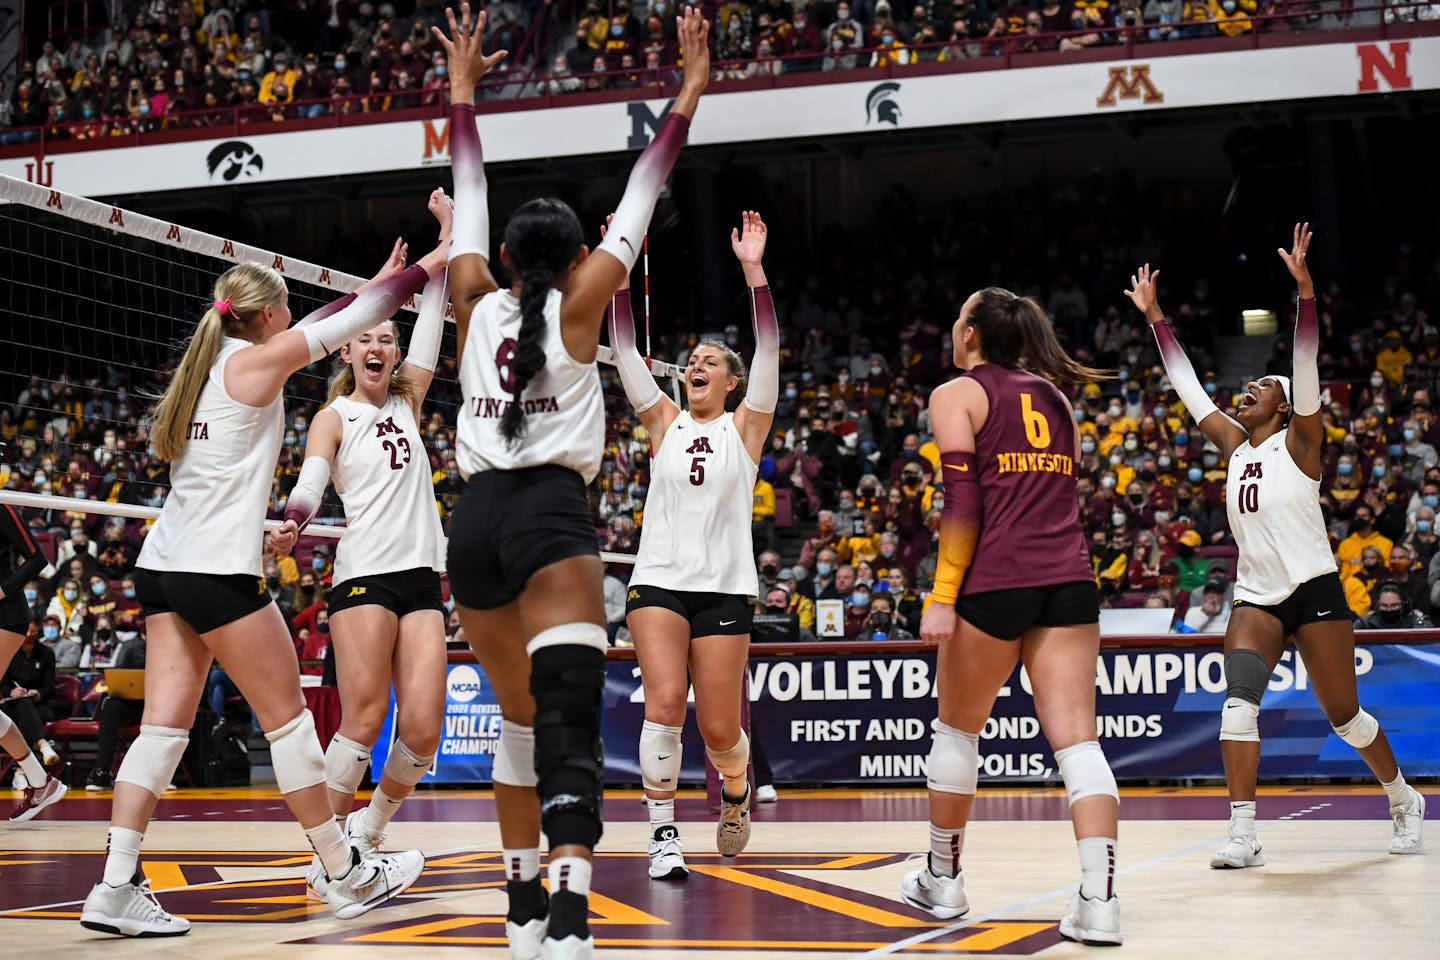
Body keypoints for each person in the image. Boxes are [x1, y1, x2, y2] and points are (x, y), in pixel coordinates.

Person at [77, 219, 448, 937]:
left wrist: (374, 285)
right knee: (290, 726)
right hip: (217, 572)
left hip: (165, 569)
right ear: (266, 315)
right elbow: (347, 323)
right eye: (286, 312)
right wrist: (429, 264)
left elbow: (327, 321)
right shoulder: (253, 366)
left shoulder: (218, 365)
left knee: (162, 733)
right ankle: (344, 872)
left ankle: (115, 886)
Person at [432, 5, 709, 957]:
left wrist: (463, 91)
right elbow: (644, 186)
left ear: (506, 258)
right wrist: (688, 92)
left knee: (517, 724)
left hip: (472, 525)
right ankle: (571, 912)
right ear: (573, 257)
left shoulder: (471, 297)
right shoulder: (590, 296)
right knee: (566, 720)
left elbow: (467, 188)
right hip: (550, 515)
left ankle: (517, 910)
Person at [1129, 223, 1424, 871]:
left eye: (1262, 388)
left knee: (1345, 718)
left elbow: (1306, 367)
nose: (1248, 391)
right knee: (1237, 706)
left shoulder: (1301, 445)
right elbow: (1189, 389)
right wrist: (1157, 320)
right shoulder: (1234, 446)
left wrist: (1307, 295)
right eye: (1249, 388)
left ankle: (1403, 799)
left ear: (1287, 408)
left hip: (1316, 589)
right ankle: (1243, 834)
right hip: (1257, 597)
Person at [901, 287, 1122, 946]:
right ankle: (1101, 900)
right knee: (1079, 743)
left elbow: (962, 503)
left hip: (996, 581)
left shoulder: (955, 394)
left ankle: (943, 880)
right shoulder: (1058, 400)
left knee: (958, 732)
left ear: (970, 334)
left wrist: (943, 594)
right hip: (1069, 580)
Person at [277, 192, 453, 903]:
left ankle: (366, 838)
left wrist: (446, 238)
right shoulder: (334, 413)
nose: (379, 347)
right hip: (364, 578)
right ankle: (329, 857)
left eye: (387, 338)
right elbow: (312, 479)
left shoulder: (409, 400)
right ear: (346, 350)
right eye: (366, 338)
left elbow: (432, 322)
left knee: (423, 730)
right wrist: (293, 518)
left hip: (421, 578)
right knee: (364, 718)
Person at [610, 211, 778, 881]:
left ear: (732, 381)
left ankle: (735, 792)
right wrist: (619, 277)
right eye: (693, 362)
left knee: (718, 731)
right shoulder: (664, 422)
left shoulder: (747, 429)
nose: (697, 364)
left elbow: (769, 348)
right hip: (658, 581)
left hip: (725, 586)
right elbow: (623, 351)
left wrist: (753, 272)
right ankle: (663, 834)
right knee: (661, 708)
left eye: (711, 361)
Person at [0, 501, 67, 815]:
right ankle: (41, 781)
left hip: (5, 616)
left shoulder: (2, 507)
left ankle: (41, 781)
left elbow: (37, 558)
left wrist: (2, 590)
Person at [1357, 580, 1433, 630]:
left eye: (1394, 605)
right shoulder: (1365, 623)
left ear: (1403, 604)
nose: (1389, 610)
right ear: (1377, 605)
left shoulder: (1418, 621)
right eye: (1384, 606)